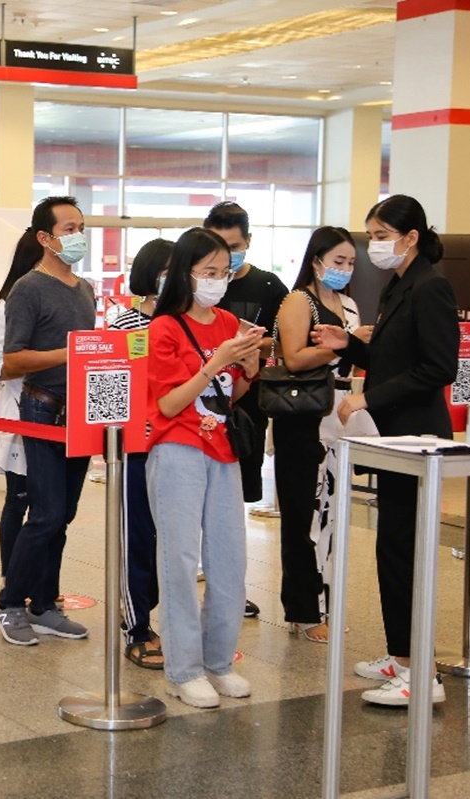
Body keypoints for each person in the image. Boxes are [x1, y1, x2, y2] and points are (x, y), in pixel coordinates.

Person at [313, 195, 458, 708]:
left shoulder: (431, 286)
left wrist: (368, 397)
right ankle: (403, 654)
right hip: (393, 440)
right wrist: (348, 344)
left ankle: (424, 673)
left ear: (410, 237)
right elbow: (394, 356)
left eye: (380, 236)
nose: (373, 246)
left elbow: (438, 367)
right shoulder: (400, 283)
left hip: (417, 437)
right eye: (371, 235)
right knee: (392, 548)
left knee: (405, 552)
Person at [146, 227, 261, 709]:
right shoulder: (164, 327)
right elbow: (169, 403)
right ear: (185, 274)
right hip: (178, 449)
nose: (217, 280)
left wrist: (248, 367)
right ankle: (184, 669)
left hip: (223, 450)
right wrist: (215, 364)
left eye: (223, 272)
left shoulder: (229, 321)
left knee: (229, 559)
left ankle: (219, 661)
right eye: (207, 271)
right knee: (178, 560)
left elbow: (230, 396)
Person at [0, 196, 95, 647]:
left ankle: (45, 604)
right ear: (45, 237)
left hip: (81, 411)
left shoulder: (85, 288)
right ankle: (11, 602)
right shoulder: (28, 288)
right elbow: (12, 361)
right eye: (69, 229)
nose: (78, 236)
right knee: (46, 512)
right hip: (42, 406)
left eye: (81, 227)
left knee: (64, 514)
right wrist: (69, 352)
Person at [271, 227, 363, 644]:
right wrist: (346, 345)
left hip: (340, 415)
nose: (345, 269)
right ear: (317, 260)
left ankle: (326, 602)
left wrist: (355, 347)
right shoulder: (298, 301)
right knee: (301, 515)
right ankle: (303, 609)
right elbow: (293, 358)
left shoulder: (349, 304)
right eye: (338, 261)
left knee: (331, 514)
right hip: (302, 415)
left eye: (351, 263)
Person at [204, 201, 286, 619]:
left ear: (248, 242)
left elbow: (288, 339)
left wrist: (248, 345)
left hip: (245, 408)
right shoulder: (196, 285)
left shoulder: (269, 287)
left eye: (233, 247)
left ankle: (229, 585)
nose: (225, 257)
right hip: (198, 409)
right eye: (217, 246)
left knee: (234, 499)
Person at [109, 238, 173, 670]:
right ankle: (137, 627)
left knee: (171, 540)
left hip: (178, 446)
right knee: (137, 537)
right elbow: (112, 390)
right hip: (135, 448)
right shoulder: (125, 326)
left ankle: (162, 616)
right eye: (167, 270)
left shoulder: (184, 324)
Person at [0, 230, 41, 576]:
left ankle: (43, 583)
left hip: (57, 418)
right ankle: (12, 581)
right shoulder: (2, 309)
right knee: (18, 500)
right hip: (18, 411)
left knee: (49, 508)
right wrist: (44, 360)